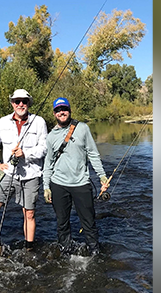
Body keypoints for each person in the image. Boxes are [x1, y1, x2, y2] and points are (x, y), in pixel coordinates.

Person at [43, 97, 109, 256]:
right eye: (58, 110)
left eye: (64, 109)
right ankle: (66, 251)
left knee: (89, 222)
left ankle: (94, 252)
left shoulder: (83, 128)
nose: (61, 112)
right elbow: (48, 163)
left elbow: (93, 154)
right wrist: (46, 186)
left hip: (81, 183)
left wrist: (102, 176)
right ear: (54, 114)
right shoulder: (51, 136)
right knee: (62, 223)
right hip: (58, 184)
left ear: (69, 110)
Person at [0, 89, 48, 252]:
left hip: (31, 175)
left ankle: (29, 248)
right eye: (17, 101)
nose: (21, 104)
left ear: (28, 104)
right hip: (7, 173)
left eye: (24, 101)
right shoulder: (2, 123)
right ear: (12, 103)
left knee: (29, 214)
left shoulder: (39, 121)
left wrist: (26, 154)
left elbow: (45, 148)